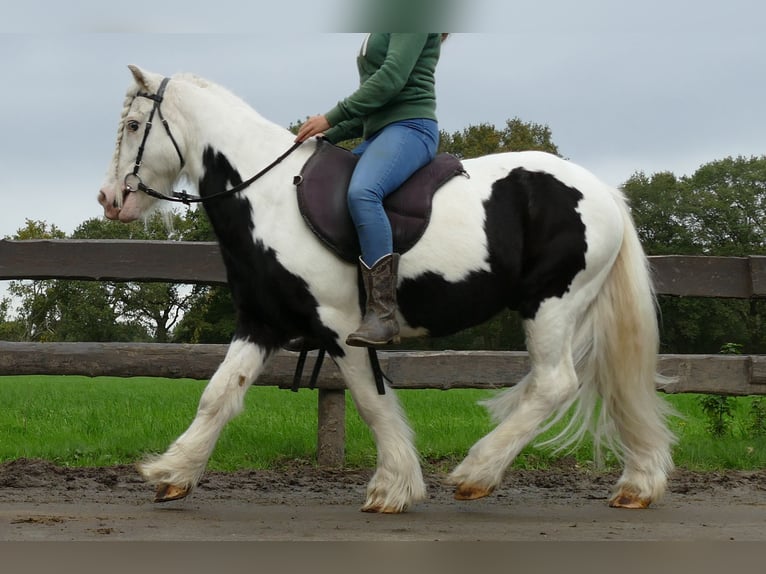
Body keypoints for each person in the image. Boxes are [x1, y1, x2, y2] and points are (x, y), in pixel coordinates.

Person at [296, 33, 447, 347]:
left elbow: (390, 81)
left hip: (410, 128)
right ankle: (332, 315)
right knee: (328, 198)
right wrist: (326, 138)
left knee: (363, 193)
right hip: (379, 134)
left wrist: (330, 118)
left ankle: (383, 314)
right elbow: (373, 108)